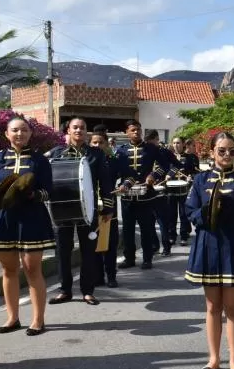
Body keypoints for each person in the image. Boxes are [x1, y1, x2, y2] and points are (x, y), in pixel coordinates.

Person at [185, 132, 234, 369]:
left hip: (233, 246)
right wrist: (204, 214)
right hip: (208, 245)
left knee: (232, 307)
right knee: (212, 306)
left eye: (232, 151)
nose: (227, 155)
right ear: (211, 152)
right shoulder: (200, 179)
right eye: (222, 150)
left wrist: (230, 213)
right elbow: (190, 210)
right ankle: (213, 359)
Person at [0, 116, 55, 335]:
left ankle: (37, 320)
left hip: (31, 217)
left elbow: (48, 190)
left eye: (24, 130)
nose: (19, 134)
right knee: (9, 270)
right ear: (7, 134)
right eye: (15, 130)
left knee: (33, 269)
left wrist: (32, 194)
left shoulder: (39, 160)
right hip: (3, 218)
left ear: (31, 134)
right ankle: (12, 318)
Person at [47, 118, 114, 306]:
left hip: (88, 210)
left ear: (86, 132)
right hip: (62, 210)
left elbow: (105, 182)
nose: (79, 130)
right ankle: (65, 290)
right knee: (62, 251)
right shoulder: (56, 154)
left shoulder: (95, 154)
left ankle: (88, 291)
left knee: (89, 251)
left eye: (82, 128)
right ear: (68, 130)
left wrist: (107, 207)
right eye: (75, 127)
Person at [115, 120, 168, 270]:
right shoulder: (121, 150)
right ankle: (129, 258)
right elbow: (117, 172)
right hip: (128, 197)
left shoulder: (151, 148)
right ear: (127, 132)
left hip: (146, 196)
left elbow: (164, 165)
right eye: (133, 130)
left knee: (146, 229)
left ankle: (147, 259)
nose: (136, 132)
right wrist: (119, 184)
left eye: (138, 130)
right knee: (127, 230)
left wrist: (153, 175)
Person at [89, 126, 120, 289]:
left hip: (108, 208)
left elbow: (129, 175)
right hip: (91, 209)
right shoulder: (86, 161)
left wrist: (125, 185)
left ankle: (111, 276)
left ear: (107, 144)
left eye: (100, 143)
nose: (97, 146)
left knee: (109, 245)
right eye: (94, 142)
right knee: (93, 244)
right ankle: (98, 276)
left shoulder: (114, 161)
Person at [145, 129, 174, 257]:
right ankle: (154, 246)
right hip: (147, 191)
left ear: (157, 140)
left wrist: (168, 175)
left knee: (162, 222)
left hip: (161, 191)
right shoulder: (145, 151)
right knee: (149, 221)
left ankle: (166, 246)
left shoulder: (164, 152)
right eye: (148, 143)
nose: (150, 145)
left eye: (152, 142)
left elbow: (175, 165)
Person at [167, 136, 199, 247]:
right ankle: (172, 236)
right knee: (171, 214)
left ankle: (184, 236)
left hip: (184, 190)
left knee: (183, 214)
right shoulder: (167, 157)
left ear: (183, 144)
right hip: (170, 190)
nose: (176, 145)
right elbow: (162, 170)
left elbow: (196, 172)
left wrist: (191, 176)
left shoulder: (191, 158)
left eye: (178, 143)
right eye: (174, 143)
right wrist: (165, 176)